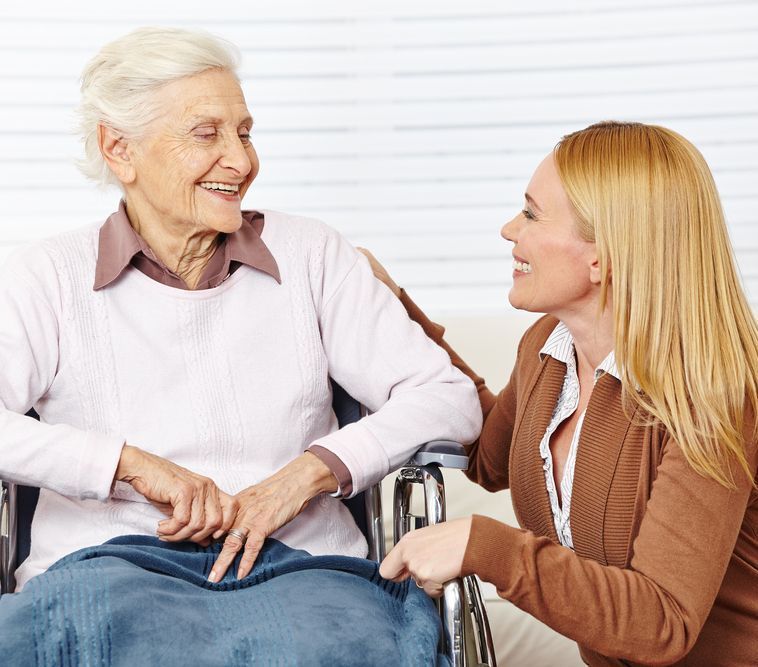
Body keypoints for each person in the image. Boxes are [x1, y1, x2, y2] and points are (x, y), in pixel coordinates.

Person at [0, 27, 481, 663]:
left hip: (303, 567)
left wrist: (307, 474)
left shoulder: (313, 255)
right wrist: (130, 464)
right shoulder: (46, 275)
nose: (241, 160)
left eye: (245, 132)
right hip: (107, 564)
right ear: (119, 149)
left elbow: (448, 397)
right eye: (208, 134)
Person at [366, 121, 758, 666]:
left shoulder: (711, 394)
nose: (510, 230)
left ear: (602, 257)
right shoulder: (549, 350)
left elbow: (660, 624)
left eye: (530, 214)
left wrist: (488, 547)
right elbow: (487, 457)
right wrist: (391, 308)